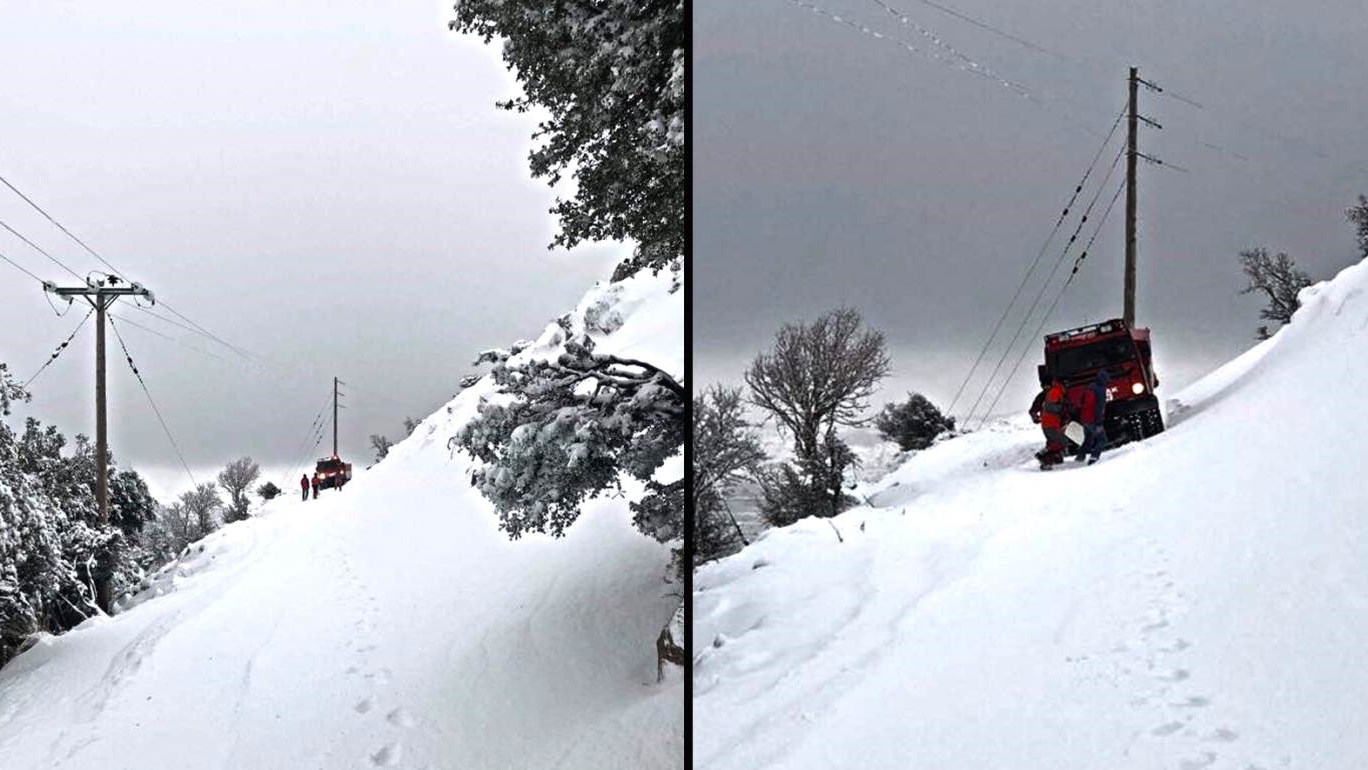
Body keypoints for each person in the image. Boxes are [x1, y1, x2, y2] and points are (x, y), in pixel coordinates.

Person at [1030, 377, 1073, 469]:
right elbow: (1034, 409)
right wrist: (1035, 416)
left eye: (1047, 386)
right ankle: (1045, 458)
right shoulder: (1046, 395)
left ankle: (1052, 459)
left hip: (1055, 422)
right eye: (1044, 386)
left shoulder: (1057, 393)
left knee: (1054, 442)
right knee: (1059, 442)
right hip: (1050, 422)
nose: (1046, 388)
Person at [1075, 370, 1110, 464]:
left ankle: (1080, 458)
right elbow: (1099, 407)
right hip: (1093, 419)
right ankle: (1094, 458)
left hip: (1084, 419)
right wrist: (1098, 422)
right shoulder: (1101, 390)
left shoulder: (1089, 387)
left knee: (1088, 439)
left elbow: (1081, 403)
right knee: (1102, 440)